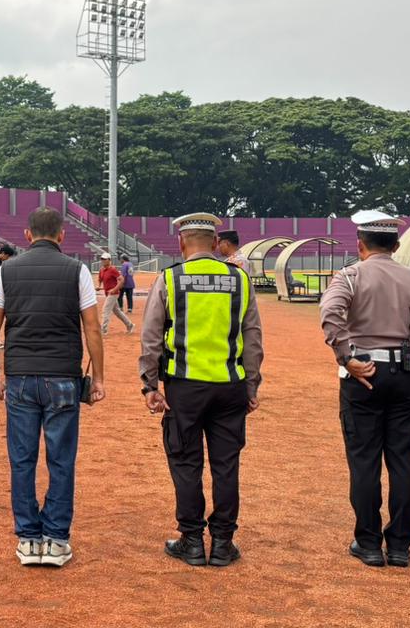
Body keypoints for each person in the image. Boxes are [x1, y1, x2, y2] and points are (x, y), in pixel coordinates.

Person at [319, 210, 410, 568]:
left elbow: (330, 314)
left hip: (365, 373)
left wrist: (346, 357)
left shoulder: (349, 276)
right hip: (408, 374)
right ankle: (401, 545)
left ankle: (369, 542)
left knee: (364, 461)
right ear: (396, 245)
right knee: (404, 461)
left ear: (360, 245)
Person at [139, 212, 264, 568]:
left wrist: (149, 384)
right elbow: (252, 335)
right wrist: (252, 383)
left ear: (181, 243)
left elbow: (151, 337)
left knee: (185, 462)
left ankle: (192, 540)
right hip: (230, 385)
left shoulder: (170, 279)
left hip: (184, 387)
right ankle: (223, 543)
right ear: (215, 244)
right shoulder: (239, 279)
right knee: (226, 465)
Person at [0, 207, 105, 568]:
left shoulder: (8, 269)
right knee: (61, 459)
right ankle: (56, 539)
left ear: (26, 235)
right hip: (63, 378)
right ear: (62, 235)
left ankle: (28, 539)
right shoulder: (77, 270)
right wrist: (98, 377)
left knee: (22, 459)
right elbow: (93, 328)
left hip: (20, 377)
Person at [98, 252, 134, 334]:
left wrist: (114, 289)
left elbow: (121, 280)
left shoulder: (112, 270)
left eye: (104, 259)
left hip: (113, 294)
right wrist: (99, 286)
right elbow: (100, 279)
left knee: (105, 310)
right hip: (108, 293)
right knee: (117, 311)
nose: (102, 260)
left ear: (109, 260)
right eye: (102, 259)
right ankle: (129, 325)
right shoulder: (102, 270)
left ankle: (103, 330)